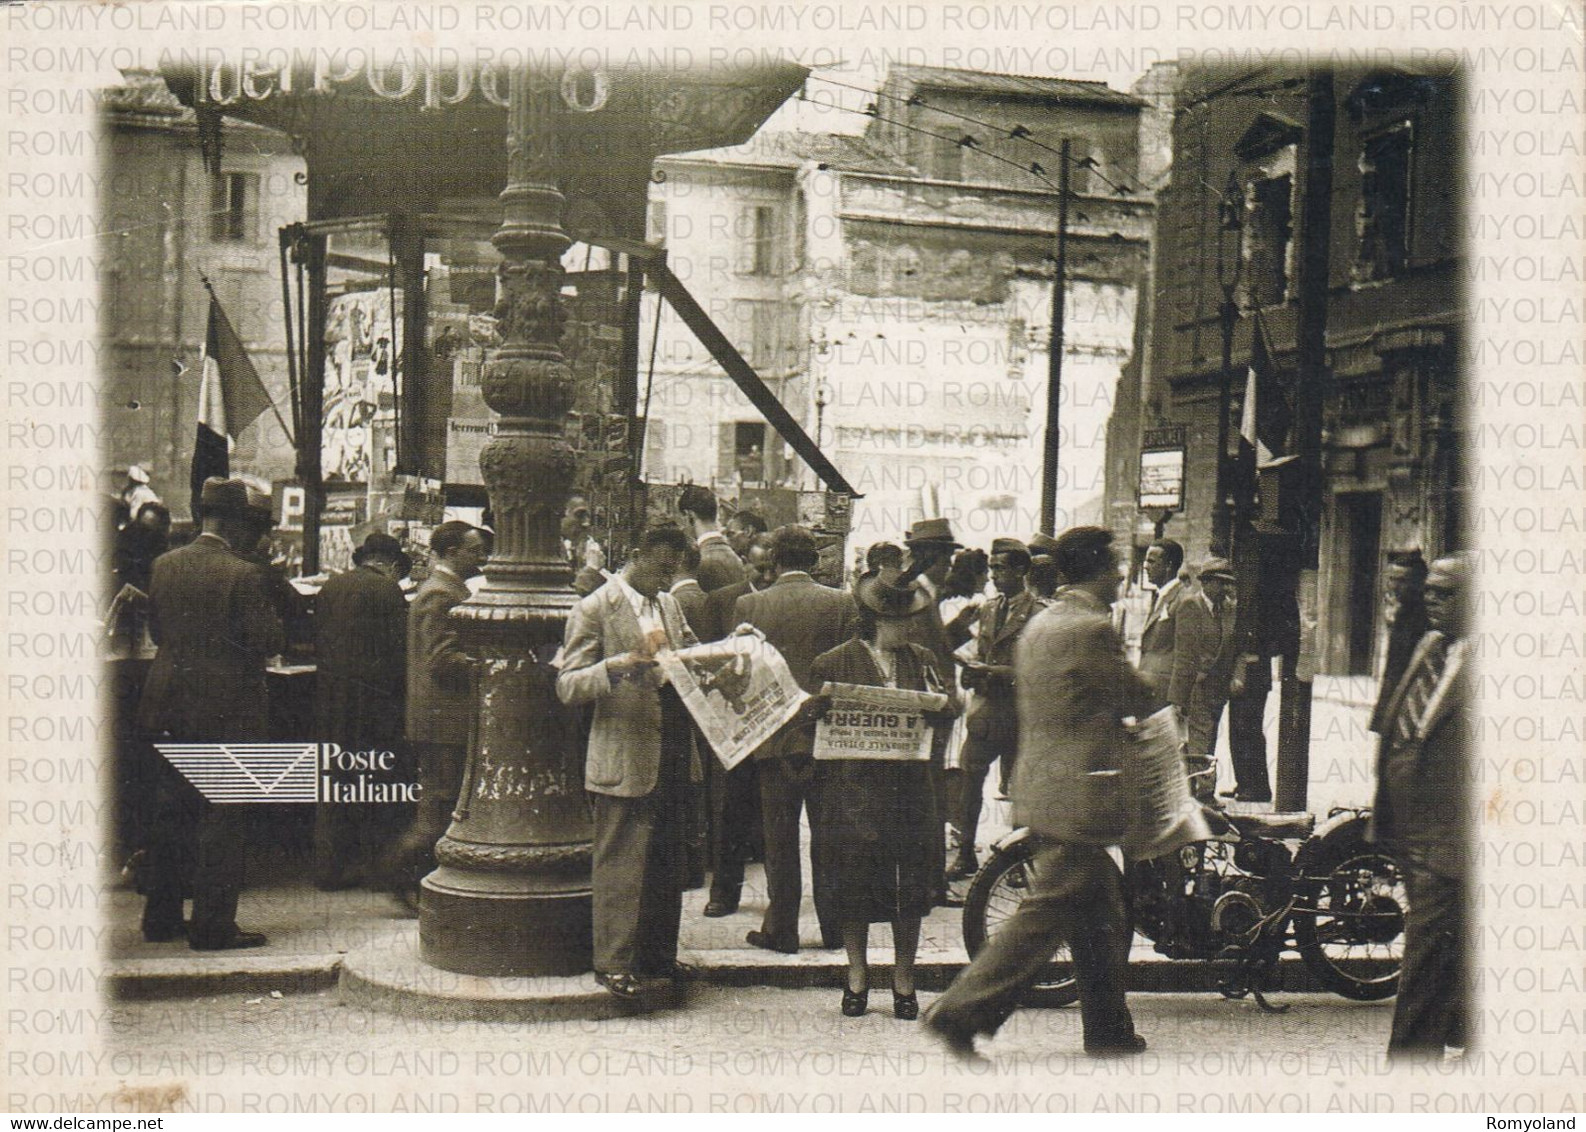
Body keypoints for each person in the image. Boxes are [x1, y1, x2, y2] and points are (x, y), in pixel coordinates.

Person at [925, 526, 1154, 1059]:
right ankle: (960, 1012)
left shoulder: (1043, 623)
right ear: (1096, 569)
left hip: (1044, 783)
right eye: (1115, 566)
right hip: (1079, 794)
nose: (1121, 575)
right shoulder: (1091, 628)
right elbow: (1133, 694)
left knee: (1101, 914)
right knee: (1044, 915)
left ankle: (1108, 1029)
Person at [135, 477, 283, 950]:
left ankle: (160, 919)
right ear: (237, 521)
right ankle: (213, 926)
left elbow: (159, 633)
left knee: (170, 812)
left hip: (167, 705)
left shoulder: (163, 565)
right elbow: (269, 642)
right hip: (227, 710)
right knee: (223, 818)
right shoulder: (245, 573)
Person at [555, 526, 700, 999]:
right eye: (659, 568)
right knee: (621, 863)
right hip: (624, 750)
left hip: (672, 747)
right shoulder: (594, 607)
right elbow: (568, 684)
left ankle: (658, 956)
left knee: (665, 862)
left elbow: (690, 653)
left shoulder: (669, 605)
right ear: (635, 556)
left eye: (671, 570)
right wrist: (613, 669)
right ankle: (614, 964)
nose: (665, 578)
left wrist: (725, 650)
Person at [805, 567, 958, 1019]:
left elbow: (947, 706)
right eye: (901, 620)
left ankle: (903, 977)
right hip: (853, 792)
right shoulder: (833, 663)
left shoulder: (921, 659)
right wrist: (817, 710)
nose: (909, 628)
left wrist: (944, 704)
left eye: (911, 620)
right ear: (875, 619)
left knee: (908, 884)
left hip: (909, 792)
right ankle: (857, 974)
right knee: (854, 882)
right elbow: (812, 725)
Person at [733, 525, 856, 954]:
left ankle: (781, 929)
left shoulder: (750, 605)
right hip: (827, 736)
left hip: (774, 739)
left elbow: (740, 679)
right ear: (816, 560)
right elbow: (851, 672)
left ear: (775, 560)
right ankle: (836, 928)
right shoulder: (843, 604)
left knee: (779, 838)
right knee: (830, 836)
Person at [1370, 553, 1470, 1057]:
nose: (1429, 599)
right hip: (1414, 837)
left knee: (1424, 965)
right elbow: (1402, 728)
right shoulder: (1430, 645)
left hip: (1453, 846)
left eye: (1444, 592)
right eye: (1428, 589)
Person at [390, 521, 488, 904]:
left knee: (443, 803)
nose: (482, 557)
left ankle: (411, 878)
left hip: (442, 718)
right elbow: (441, 659)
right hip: (442, 720)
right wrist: (484, 664)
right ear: (450, 552)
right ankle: (397, 873)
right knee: (440, 805)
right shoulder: (441, 594)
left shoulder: (445, 590)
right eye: (474, 550)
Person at [312, 532, 408, 890]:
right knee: (374, 783)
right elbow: (400, 651)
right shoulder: (388, 591)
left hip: (331, 697)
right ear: (391, 565)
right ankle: (374, 866)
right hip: (375, 701)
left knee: (333, 779)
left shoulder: (331, 587)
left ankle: (329, 867)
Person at [696, 532, 775, 917]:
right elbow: (705, 658)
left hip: (774, 723)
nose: (765, 576)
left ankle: (779, 899)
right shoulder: (722, 600)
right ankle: (724, 894)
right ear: (744, 562)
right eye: (759, 568)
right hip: (734, 722)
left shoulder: (777, 602)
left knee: (773, 815)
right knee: (729, 811)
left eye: (771, 569)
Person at [950, 539, 1038, 879]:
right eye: (992, 569)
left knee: (1019, 788)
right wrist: (972, 673)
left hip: (1019, 713)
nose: (994, 575)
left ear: (1021, 571)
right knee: (969, 781)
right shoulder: (988, 609)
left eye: (1001, 568)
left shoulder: (1038, 613)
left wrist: (995, 673)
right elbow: (980, 652)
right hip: (986, 712)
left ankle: (1016, 862)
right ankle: (965, 851)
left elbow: (1036, 671)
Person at [1170, 557, 1236, 803]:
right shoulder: (1191, 606)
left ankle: (1193, 788)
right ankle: (1204, 792)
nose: (1225, 588)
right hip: (1196, 685)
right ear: (1206, 583)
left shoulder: (1228, 609)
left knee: (1207, 738)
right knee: (1199, 738)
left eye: (1228, 583)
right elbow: (1184, 652)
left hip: (1218, 687)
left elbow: (1231, 645)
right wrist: (1179, 695)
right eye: (1220, 583)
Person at [1369, 550, 1430, 737]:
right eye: (1392, 579)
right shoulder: (1401, 611)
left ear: (1419, 583)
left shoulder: (1428, 616)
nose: (1394, 586)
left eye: (1402, 580)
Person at [1135, 538, 1187, 701]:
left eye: (1151, 561)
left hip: (1165, 692)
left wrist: (1177, 698)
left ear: (1169, 566)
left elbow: (1185, 653)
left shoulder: (1183, 599)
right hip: (1150, 688)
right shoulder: (1161, 596)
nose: (1145, 566)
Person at [677, 484, 746, 593]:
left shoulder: (700, 559)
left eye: (681, 519)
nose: (681, 526)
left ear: (689, 515)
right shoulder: (734, 555)